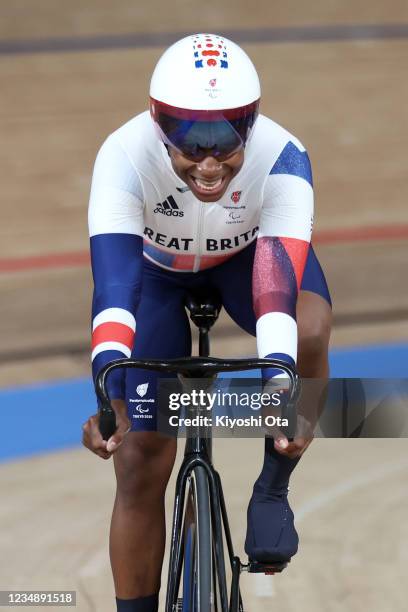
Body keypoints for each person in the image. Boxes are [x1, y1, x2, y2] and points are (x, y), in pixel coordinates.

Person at [82, 33, 332, 612]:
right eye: (191, 141)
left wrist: (279, 385)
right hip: (154, 275)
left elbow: (274, 292)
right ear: (158, 123)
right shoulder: (122, 155)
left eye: (227, 138)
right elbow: (116, 288)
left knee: (308, 328)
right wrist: (105, 381)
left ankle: (273, 487)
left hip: (250, 261)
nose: (211, 160)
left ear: (252, 123)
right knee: (140, 460)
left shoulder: (284, 156)